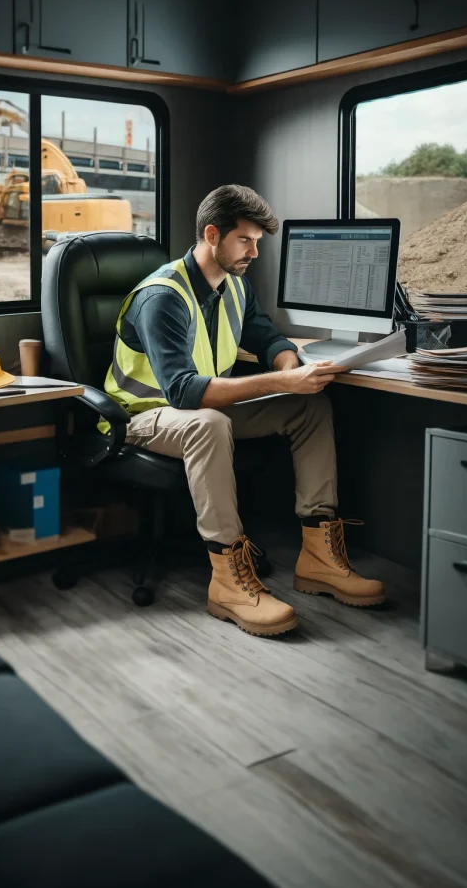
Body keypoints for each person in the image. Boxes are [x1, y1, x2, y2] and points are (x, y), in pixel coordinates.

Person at [104, 184, 385, 636]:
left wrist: (289, 365)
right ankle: (227, 583)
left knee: (309, 407)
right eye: (246, 240)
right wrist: (278, 380)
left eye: (258, 241)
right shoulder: (162, 298)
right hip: (142, 417)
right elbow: (181, 391)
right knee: (208, 424)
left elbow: (266, 337)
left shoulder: (233, 286)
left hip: (197, 411)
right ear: (212, 234)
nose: (255, 251)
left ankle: (318, 558)